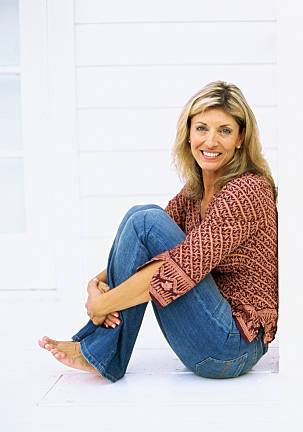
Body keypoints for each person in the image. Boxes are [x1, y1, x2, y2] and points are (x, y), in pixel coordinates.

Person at [38, 81, 278, 382]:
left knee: (146, 221)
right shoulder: (195, 190)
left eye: (225, 130)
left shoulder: (247, 190)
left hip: (232, 347)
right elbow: (140, 247)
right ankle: (100, 352)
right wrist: (96, 283)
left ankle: (100, 352)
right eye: (202, 128)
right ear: (189, 134)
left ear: (241, 137)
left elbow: (177, 270)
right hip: (210, 334)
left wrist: (101, 305)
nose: (211, 141)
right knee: (140, 215)